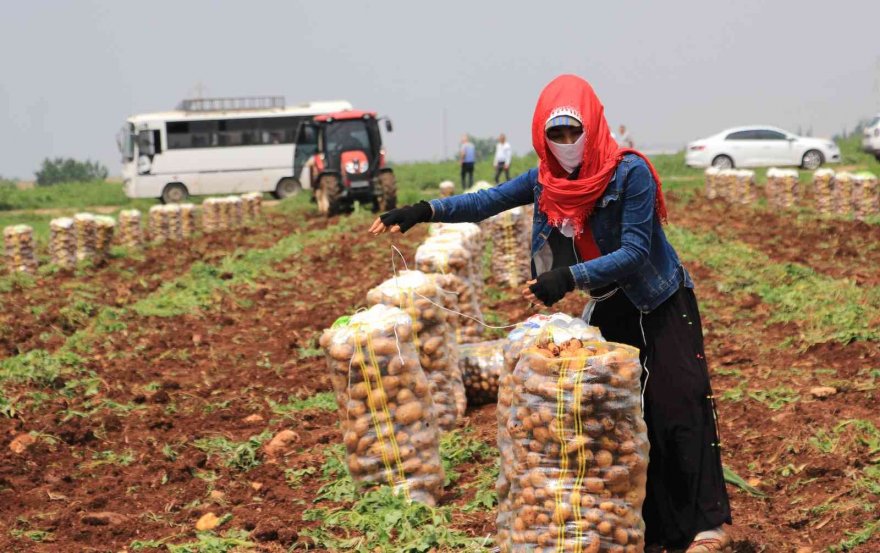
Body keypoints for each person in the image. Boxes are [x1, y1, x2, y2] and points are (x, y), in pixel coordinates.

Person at [370, 74, 732, 553]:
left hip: (660, 301)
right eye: (554, 135)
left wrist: (567, 277)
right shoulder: (546, 178)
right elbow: (486, 200)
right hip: (610, 307)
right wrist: (422, 210)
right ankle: (655, 528)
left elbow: (637, 252)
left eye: (572, 133)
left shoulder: (630, 173)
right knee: (625, 417)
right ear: (542, 134)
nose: (564, 144)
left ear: (593, 127)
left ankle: (709, 528)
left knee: (679, 406)